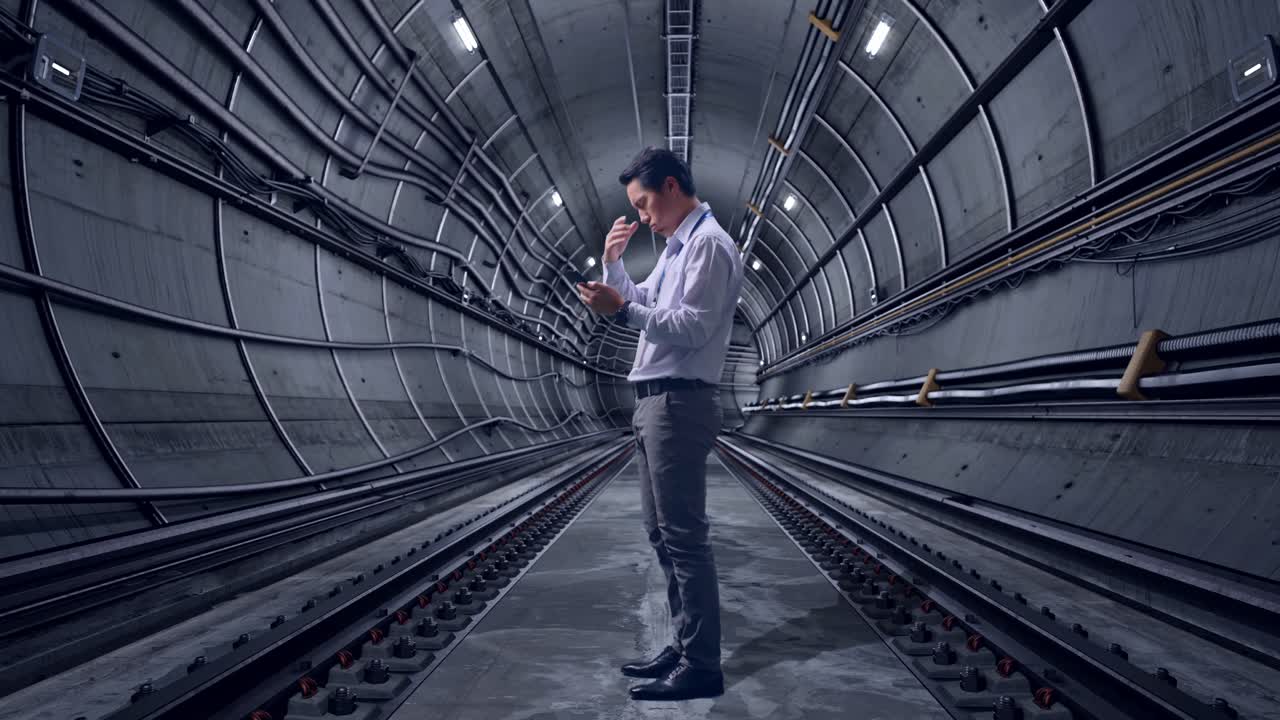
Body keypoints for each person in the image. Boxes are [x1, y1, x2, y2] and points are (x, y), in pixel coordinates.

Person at [576, 146, 744, 701]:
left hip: (679, 403)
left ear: (672, 187)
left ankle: (702, 666)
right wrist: (614, 268)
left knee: (685, 539)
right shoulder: (678, 248)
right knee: (662, 535)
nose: (643, 216)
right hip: (654, 403)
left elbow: (690, 327)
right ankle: (684, 642)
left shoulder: (710, 246)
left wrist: (620, 309)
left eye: (645, 204)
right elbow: (646, 297)